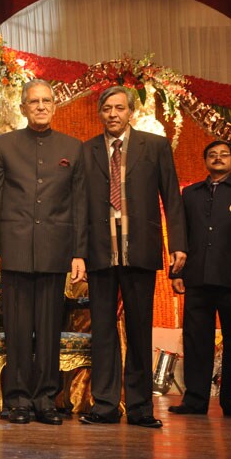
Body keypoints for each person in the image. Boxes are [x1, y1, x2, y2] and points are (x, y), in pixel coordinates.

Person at [79, 86, 187, 429]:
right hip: (100, 251)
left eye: (120, 108)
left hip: (139, 249)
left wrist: (178, 245)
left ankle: (140, 407)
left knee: (139, 330)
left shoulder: (153, 146)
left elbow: (171, 196)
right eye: (107, 108)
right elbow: (78, 206)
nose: (113, 114)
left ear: (131, 112)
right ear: (100, 113)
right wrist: (77, 253)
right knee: (104, 331)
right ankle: (106, 404)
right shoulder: (87, 150)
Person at [0, 79, 87, 425]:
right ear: (23, 107)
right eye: (34, 101)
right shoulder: (4, 145)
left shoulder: (73, 148)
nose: (40, 106)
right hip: (13, 249)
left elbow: (80, 205)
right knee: (16, 327)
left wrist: (78, 253)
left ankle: (45, 399)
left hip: (55, 250)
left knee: (47, 329)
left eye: (46, 101)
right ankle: (17, 400)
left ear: (55, 106)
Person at [169, 140, 231, 417]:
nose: (218, 159)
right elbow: (181, 234)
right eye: (212, 155)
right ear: (205, 160)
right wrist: (177, 272)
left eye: (224, 155)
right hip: (196, 277)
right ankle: (194, 401)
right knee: (196, 341)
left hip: (229, 277)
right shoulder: (191, 193)